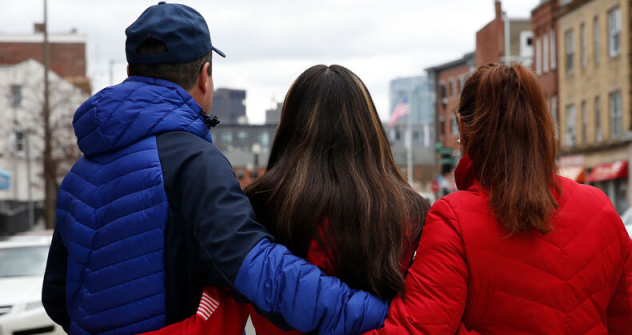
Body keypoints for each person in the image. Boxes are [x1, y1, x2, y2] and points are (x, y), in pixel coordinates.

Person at [41, 3, 388, 335]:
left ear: (130, 74)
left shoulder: (79, 174)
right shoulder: (193, 162)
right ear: (205, 77)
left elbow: (57, 296)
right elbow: (261, 272)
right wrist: (370, 310)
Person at [142, 64, 430, 335]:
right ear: (370, 128)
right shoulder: (410, 212)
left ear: (289, 127)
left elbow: (218, 313)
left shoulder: (257, 205)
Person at [364, 63, 632, 334]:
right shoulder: (600, 208)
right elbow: (626, 323)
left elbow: (419, 328)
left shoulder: (453, 218)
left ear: (463, 127)